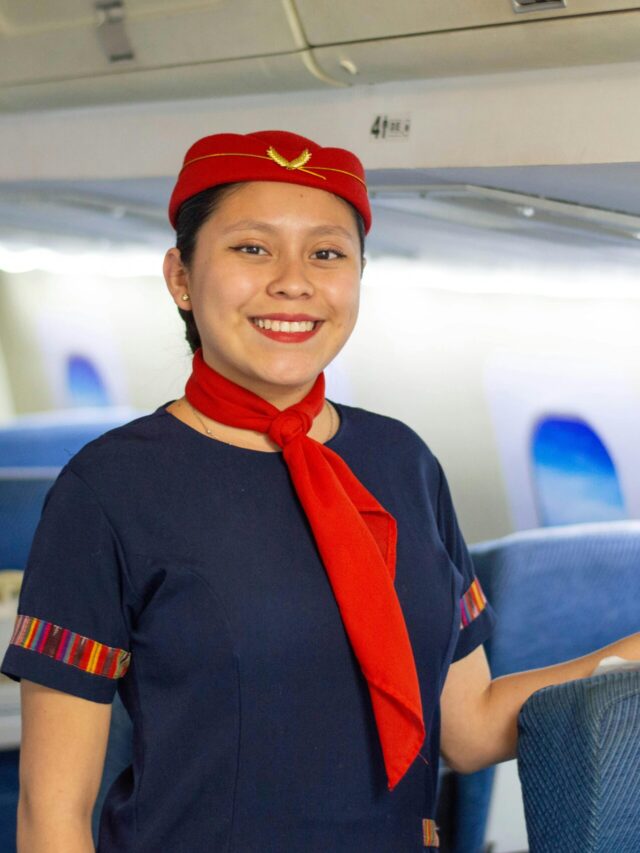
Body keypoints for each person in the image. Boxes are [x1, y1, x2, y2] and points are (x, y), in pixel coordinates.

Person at [2, 130, 639, 853]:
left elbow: (468, 728)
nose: (294, 281)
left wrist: (627, 656)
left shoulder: (403, 462)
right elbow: (52, 817)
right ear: (181, 276)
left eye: (327, 253)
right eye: (253, 248)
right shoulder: (108, 488)